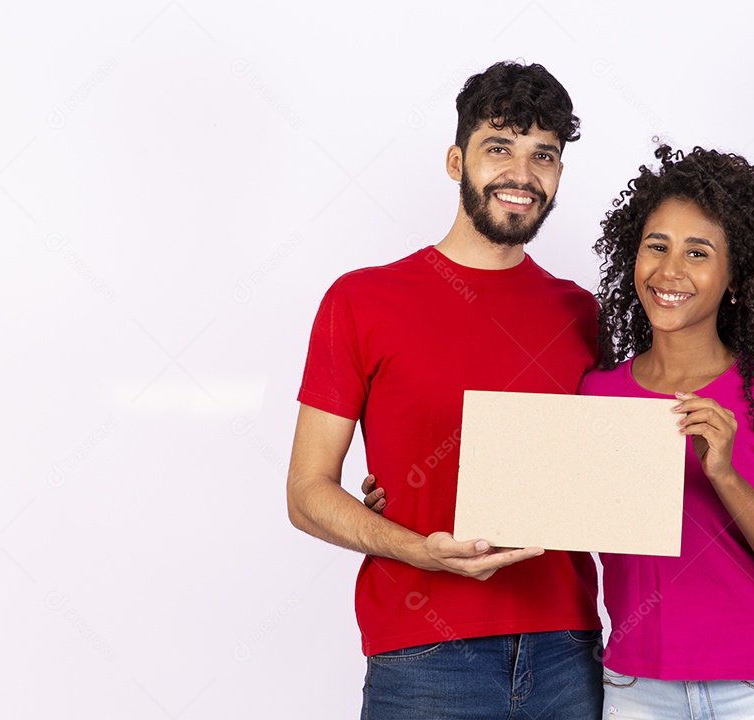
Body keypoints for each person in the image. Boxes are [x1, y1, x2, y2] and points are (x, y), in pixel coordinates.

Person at [287, 60, 603, 719]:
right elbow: (307, 493)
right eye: (499, 149)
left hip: (568, 653)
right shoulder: (362, 301)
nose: (522, 174)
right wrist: (416, 549)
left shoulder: (581, 313)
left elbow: (606, 474)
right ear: (457, 162)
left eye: (543, 156)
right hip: (424, 658)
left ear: (559, 175)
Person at [580, 145, 754, 719]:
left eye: (697, 253)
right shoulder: (597, 396)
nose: (669, 271)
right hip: (638, 690)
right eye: (657, 246)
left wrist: (724, 475)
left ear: (734, 278)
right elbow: (554, 520)